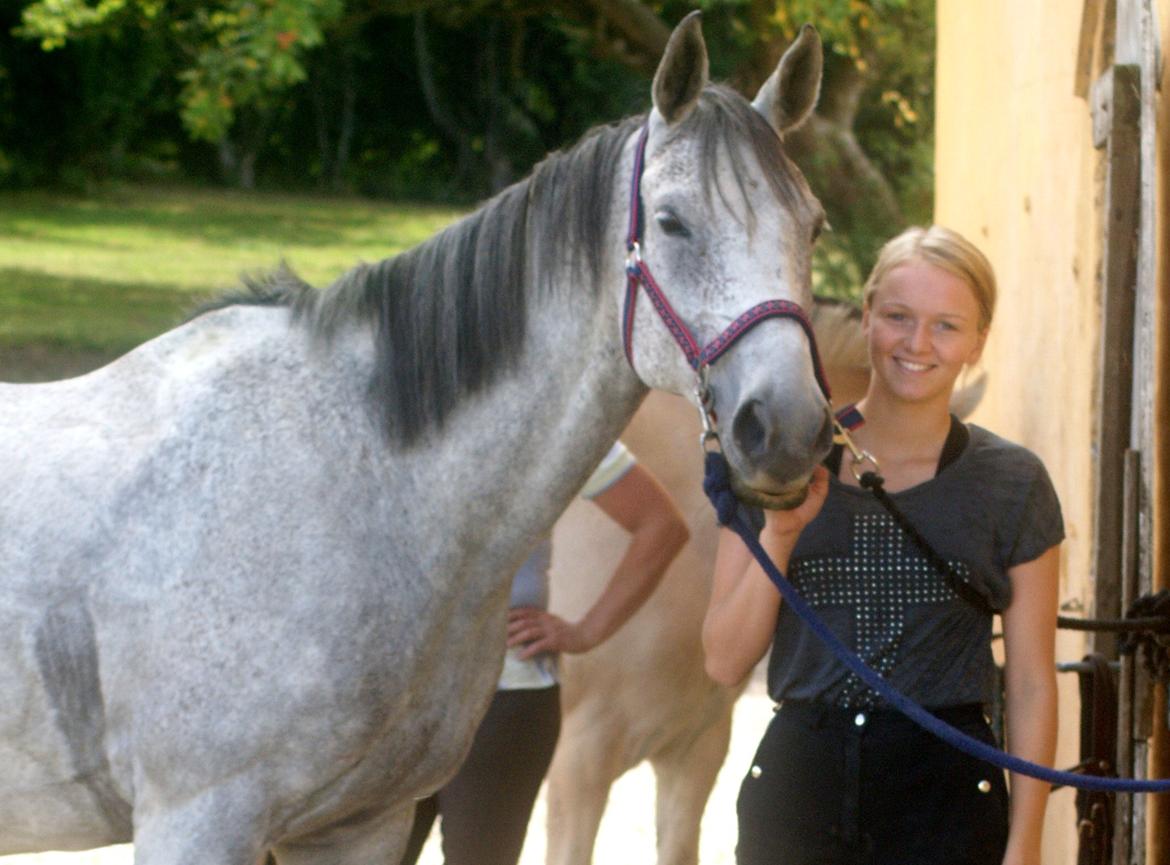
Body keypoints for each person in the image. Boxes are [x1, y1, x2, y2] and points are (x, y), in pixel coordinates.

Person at [702, 225, 1063, 865]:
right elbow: (724, 662)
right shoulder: (779, 460)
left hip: (945, 796)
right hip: (799, 792)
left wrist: (1026, 842)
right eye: (898, 316)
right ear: (865, 318)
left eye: (947, 325)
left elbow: (1032, 683)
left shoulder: (1014, 482)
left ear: (979, 340)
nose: (917, 344)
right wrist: (781, 533)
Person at [400, 440, 689, 865]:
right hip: (387, 705)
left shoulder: (555, 411)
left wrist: (588, 631)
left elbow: (661, 525)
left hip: (502, 701)